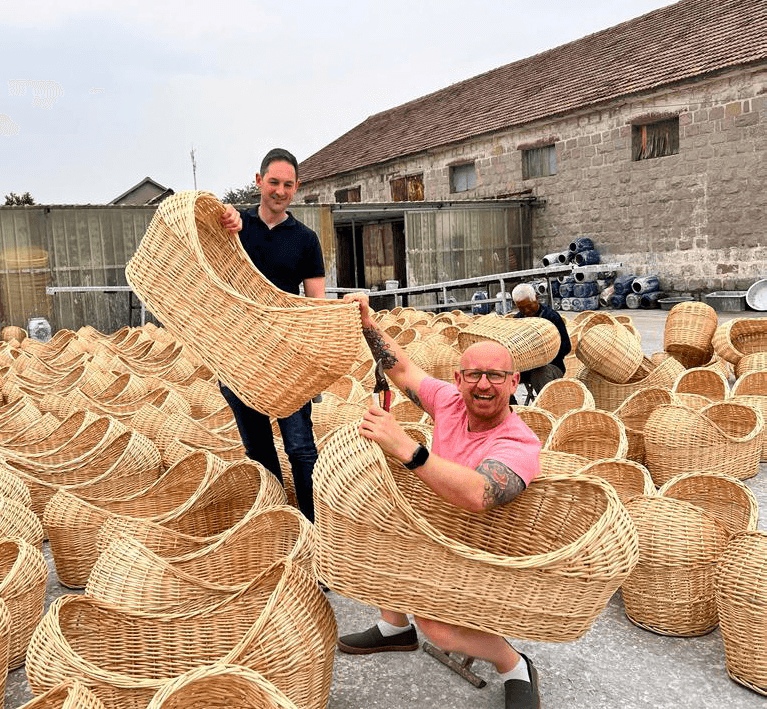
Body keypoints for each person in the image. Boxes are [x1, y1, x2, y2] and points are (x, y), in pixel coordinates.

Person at [336, 292, 543, 709]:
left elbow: (479, 495)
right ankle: (395, 627)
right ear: (458, 377)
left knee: (439, 626)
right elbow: (404, 369)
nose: (483, 385)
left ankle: (514, 664)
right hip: (437, 526)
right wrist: (366, 323)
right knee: (383, 530)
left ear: (514, 381)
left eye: (496, 376)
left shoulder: (519, 442)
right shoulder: (449, 401)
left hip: (480, 545)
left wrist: (408, 449)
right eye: (474, 375)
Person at [217, 148, 326, 522]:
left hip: (286, 359)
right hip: (239, 357)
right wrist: (224, 215)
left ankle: (315, 530)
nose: (280, 191)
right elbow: (202, 231)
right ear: (259, 181)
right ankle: (281, 525)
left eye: (288, 185)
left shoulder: (306, 240)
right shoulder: (235, 227)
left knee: (300, 449)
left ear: (297, 188)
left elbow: (316, 303)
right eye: (274, 182)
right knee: (260, 451)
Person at [511, 282, 572, 397]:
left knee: (540, 372)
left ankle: (548, 407)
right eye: (522, 308)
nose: (527, 311)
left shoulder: (551, 317)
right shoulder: (517, 320)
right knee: (501, 374)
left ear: (536, 299)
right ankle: (511, 409)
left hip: (552, 367)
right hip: (525, 368)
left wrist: (544, 356)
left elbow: (566, 347)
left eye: (529, 306)